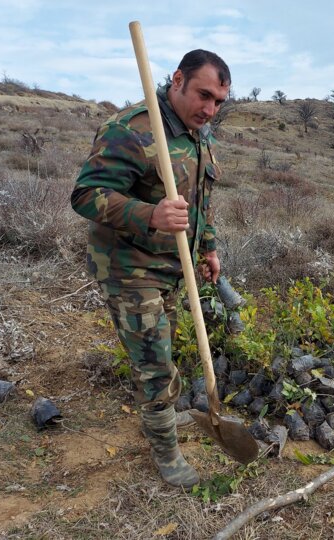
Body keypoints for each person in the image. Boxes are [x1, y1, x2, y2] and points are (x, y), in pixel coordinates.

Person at [71, 49, 231, 488]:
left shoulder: (201, 134)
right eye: (203, 95)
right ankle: (166, 451)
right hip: (129, 266)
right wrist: (149, 215)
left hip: (173, 267)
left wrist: (209, 248)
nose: (209, 109)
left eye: (218, 101)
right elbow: (86, 195)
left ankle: (161, 411)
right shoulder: (132, 130)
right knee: (155, 363)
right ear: (177, 79)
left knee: (163, 348)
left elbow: (202, 201)